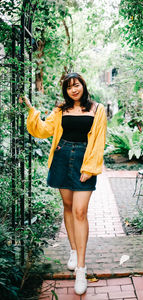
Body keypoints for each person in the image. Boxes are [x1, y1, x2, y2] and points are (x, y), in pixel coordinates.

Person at [19, 72, 107, 295]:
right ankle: (74, 249)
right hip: (62, 157)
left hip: (83, 160)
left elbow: (98, 141)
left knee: (80, 211)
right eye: (69, 87)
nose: (73, 90)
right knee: (68, 208)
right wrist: (31, 109)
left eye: (76, 85)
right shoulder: (60, 110)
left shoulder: (97, 109)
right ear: (65, 91)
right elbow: (44, 129)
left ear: (83, 86)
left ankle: (81, 268)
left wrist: (89, 168)